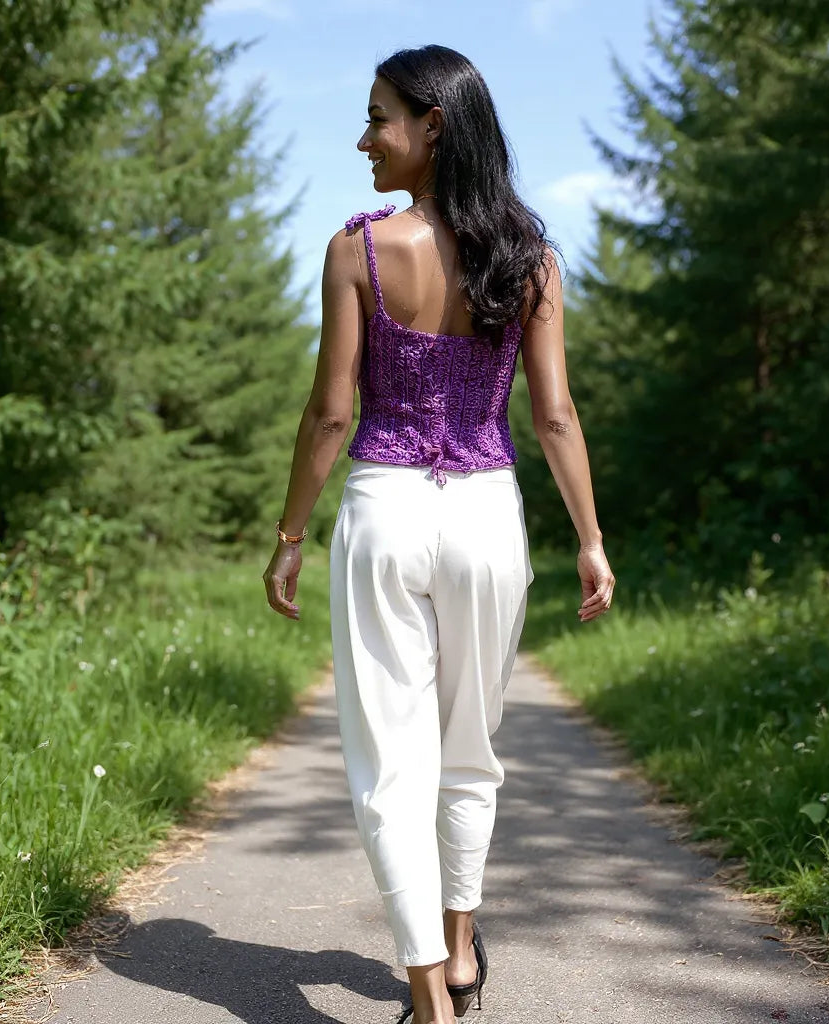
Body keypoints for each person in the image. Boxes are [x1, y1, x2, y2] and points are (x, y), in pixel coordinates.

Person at [263, 44, 615, 1024]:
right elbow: (555, 417)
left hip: (384, 508)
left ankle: (429, 996)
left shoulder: (358, 250)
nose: (364, 139)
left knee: (389, 765)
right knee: (470, 750)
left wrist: (291, 533)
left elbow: (330, 413)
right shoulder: (530, 259)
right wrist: (589, 538)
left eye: (377, 118)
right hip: (486, 515)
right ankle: (458, 952)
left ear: (433, 125)